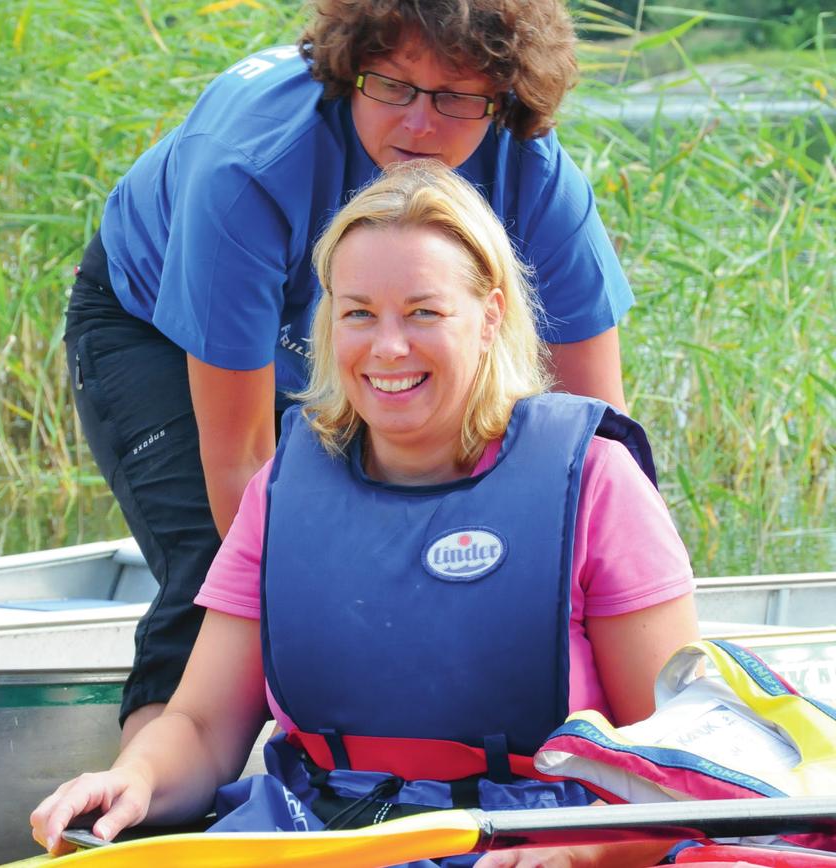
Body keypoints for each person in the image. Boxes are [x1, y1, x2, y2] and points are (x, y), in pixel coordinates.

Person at [35, 162, 700, 867]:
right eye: (358, 313)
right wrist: (133, 777)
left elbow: (679, 767)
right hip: (320, 834)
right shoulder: (283, 491)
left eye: (424, 312)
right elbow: (201, 728)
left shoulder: (598, 483)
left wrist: (584, 855)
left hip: (531, 844)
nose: (388, 348)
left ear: (491, 318)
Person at [67, 0, 639, 743]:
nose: (419, 125)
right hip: (151, 324)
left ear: (505, 99)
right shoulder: (250, 166)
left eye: (458, 96)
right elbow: (244, 470)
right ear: (351, 66)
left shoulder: (536, 173)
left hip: (369, 339)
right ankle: (146, 797)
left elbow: (601, 446)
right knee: (219, 561)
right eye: (394, 85)